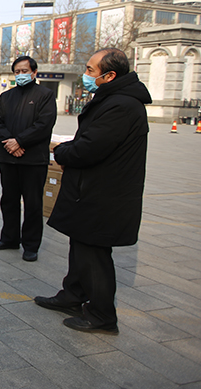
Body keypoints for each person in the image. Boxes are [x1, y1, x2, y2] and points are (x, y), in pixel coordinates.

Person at [35, 48, 151, 335]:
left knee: (94, 254)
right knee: (81, 247)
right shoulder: (112, 99)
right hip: (90, 189)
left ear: (109, 76)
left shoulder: (122, 106)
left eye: (90, 70)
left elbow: (90, 148)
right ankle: (73, 295)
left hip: (104, 195)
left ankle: (102, 316)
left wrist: (62, 151)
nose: (85, 75)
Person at [0, 56, 56, 262]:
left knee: (33, 203)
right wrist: (10, 144)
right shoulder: (6, 97)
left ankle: (31, 245)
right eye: (17, 72)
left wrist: (19, 141)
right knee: (8, 200)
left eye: (24, 71)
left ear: (34, 73)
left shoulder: (45, 95)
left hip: (33, 159)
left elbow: (44, 124)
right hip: (8, 158)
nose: (21, 75)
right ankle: (9, 238)